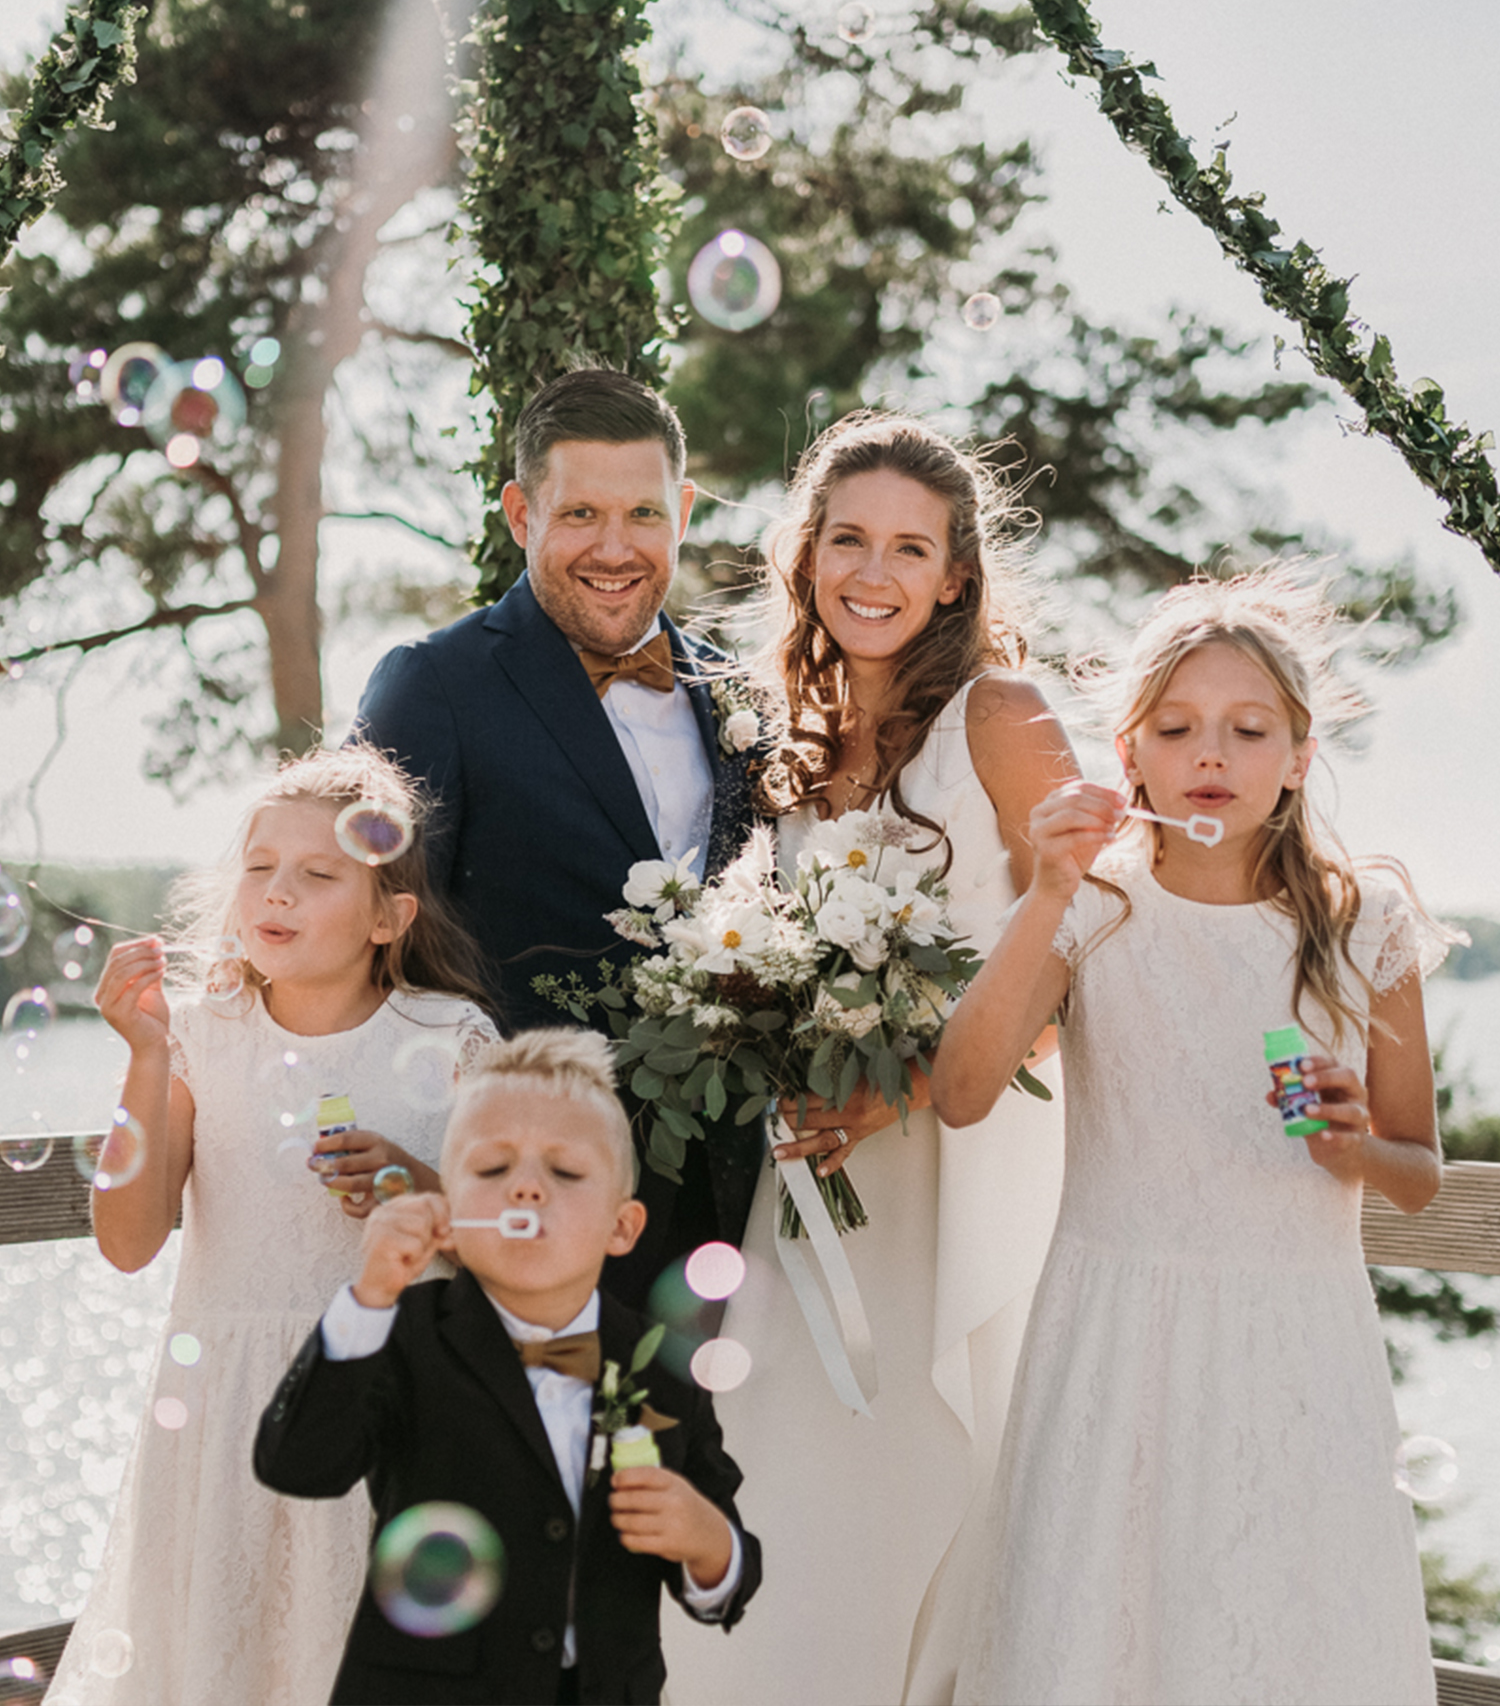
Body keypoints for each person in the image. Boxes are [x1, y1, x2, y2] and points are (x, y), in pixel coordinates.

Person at [931, 567, 1445, 1706]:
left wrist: (1353, 1147)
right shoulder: (1097, 907)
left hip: (1298, 1343)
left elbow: (1419, 1173)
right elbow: (962, 1087)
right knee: (1101, 1637)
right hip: (1117, 1338)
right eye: (1178, 726)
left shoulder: (1367, 925)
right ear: (1133, 751)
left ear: (1299, 755)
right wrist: (1047, 888)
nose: (1212, 751)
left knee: (1283, 1636)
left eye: (1248, 728)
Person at [663, 412, 1077, 1706]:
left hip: (965, 1170)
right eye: (848, 540)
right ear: (806, 556)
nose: (875, 573)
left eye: (911, 548)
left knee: (933, 1475)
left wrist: (896, 1084)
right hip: (806, 1196)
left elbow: (1095, 944)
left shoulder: (1003, 716)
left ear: (957, 574)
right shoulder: (794, 744)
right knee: (781, 1468)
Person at [44, 747, 501, 1706]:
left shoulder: (449, 1040)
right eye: (258, 867)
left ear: (389, 917)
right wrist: (147, 1053)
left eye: (317, 874)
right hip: (226, 1419)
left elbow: (513, 1242)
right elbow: (128, 1242)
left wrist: (419, 1189)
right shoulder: (205, 1035)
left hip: (393, 1405)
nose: (275, 893)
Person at [352, 366, 763, 1305]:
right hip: (517, 1220)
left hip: (732, 1209)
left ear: (685, 512)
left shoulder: (737, 691)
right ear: (520, 515)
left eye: (645, 516)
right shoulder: (435, 685)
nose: (616, 549)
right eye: (580, 515)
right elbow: (365, 927)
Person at [254, 1028, 763, 1706]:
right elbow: (297, 1465)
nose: (525, 1189)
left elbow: (728, 1571)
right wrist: (370, 1297)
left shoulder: (659, 1365)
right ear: (450, 1207)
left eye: (566, 1172)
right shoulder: (403, 1335)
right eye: (492, 1170)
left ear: (623, 1226)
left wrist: (709, 1545)